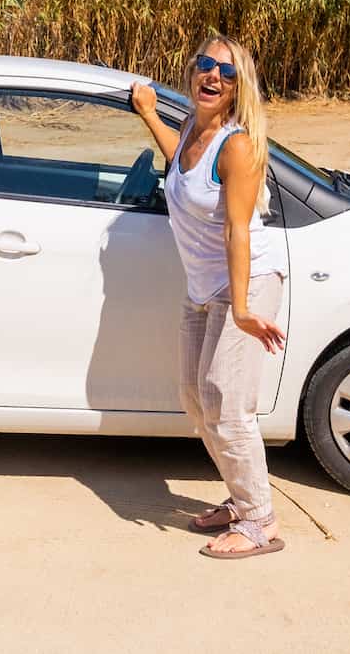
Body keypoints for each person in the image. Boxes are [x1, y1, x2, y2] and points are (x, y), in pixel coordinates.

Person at [130, 34, 290, 559]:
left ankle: (259, 521)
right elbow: (182, 169)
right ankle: (241, 499)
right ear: (192, 70)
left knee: (228, 405)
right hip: (204, 290)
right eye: (205, 65)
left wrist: (242, 309)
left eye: (226, 73)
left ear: (238, 88)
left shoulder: (237, 145)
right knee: (195, 399)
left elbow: (237, 232)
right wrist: (150, 115)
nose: (212, 77)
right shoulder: (191, 129)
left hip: (245, 284)